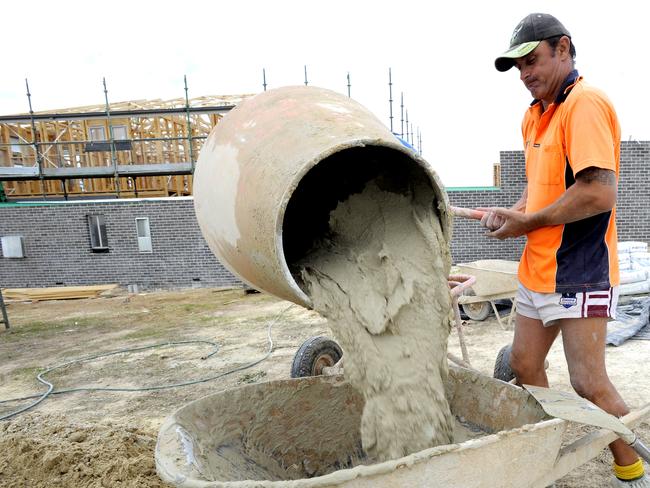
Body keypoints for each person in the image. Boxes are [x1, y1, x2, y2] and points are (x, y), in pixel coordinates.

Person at [484, 13, 648, 487]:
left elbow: (598, 192)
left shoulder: (586, 104)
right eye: (517, 67)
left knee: (588, 384)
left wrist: (529, 221)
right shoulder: (534, 115)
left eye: (532, 60)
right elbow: (539, 192)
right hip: (538, 270)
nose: (524, 74)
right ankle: (549, 446)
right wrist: (511, 216)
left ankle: (632, 468)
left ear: (563, 48)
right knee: (524, 365)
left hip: (580, 271)